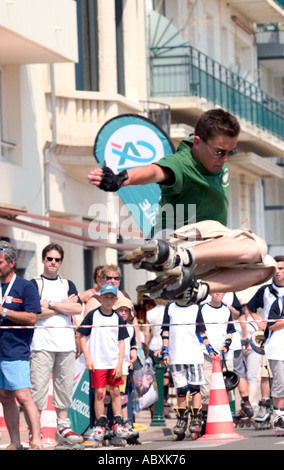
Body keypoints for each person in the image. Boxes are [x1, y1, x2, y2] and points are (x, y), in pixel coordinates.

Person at [88, 108, 276, 305]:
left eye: (231, 152)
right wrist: (123, 178)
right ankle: (175, 256)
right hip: (178, 239)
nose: (225, 159)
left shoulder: (214, 159)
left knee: (267, 267)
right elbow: (156, 171)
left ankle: (194, 288)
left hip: (200, 253)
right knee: (256, 247)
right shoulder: (183, 162)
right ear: (197, 142)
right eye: (220, 152)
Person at [29, 243, 84, 450]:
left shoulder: (67, 283)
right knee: (38, 391)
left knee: (64, 389)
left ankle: (63, 428)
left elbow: (77, 307)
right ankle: (35, 433)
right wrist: (62, 306)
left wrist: (50, 303)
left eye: (57, 259)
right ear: (43, 259)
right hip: (41, 344)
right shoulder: (33, 284)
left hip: (66, 344)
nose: (53, 262)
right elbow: (34, 312)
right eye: (50, 258)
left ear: (61, 262)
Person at [0, 241, 42, 450]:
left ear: (11, 263)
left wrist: (4, 311)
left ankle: (36, 440)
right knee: (5, 397)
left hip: (16, 349)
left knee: (23, 395)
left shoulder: (26, 287)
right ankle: (15, 442)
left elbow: (32, 318)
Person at [77, 284, 130, 447]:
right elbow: (81, 336)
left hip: (113, 362)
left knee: (115, 392)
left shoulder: (118, 318)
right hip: (98, 362)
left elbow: (122, 342)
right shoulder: (93, 315)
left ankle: (118, 423)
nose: (108, 300)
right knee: (100, 393)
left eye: (111, 297)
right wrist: (87, 357)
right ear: (100, 298)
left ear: (115, 299)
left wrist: (120, 363)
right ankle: (100, 426)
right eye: (105, 297)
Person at [160, 299, 218, 440]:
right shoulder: (170, 307)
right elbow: (165, 331)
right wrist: (165, 350)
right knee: (181, 390)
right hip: (176, 355)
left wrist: (209, 347)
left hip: (193, 354)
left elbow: (200, 331)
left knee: (194, 388)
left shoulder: (195, 308)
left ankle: (195, 419)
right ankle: (181, 421)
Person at [247, 255, 284, 427]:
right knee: (270, 377)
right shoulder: (266, 290)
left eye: (281, 269)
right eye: (276, 269)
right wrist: (260, 324)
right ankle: (271, 411)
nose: (278, 273)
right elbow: (251, 307)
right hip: (272, 340)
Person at [113, 297, 140, 443]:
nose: (123, 313)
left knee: (122, 396)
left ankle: (125, 423)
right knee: (106, 397)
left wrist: (134, 354)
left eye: (126, 310)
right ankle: (109, 427)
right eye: (120, 310)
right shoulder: (110, 325)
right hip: (109, 365)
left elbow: (133, 344)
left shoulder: (130, 327)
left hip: (124, 366)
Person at [264, 294, 284, 435]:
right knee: (280, 383)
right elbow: (271, 326)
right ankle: (279, 418)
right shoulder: (279, 302)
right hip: (278, 350)